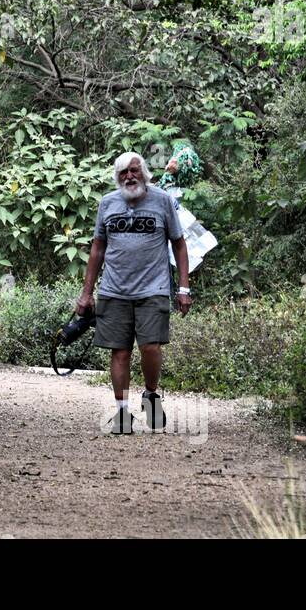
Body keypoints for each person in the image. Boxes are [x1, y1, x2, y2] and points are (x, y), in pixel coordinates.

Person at [74, 152, 192, 434]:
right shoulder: (108, 204)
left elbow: (179, 244)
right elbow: (97, 248)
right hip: (115, 290)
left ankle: (151, 394)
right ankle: (122, 413)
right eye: (124, 172)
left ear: (144, 173)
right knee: (120, 352)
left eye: (134, 171)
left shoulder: (162, 201)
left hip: (154, 288)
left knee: (150, 346)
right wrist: (87, 293)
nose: (129, 176)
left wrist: (183, 288)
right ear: (117, 177)